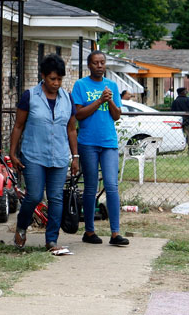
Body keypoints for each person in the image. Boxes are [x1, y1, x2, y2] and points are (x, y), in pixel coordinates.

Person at [9, 53, 80, 252]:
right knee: (34, 196)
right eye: (52, 79)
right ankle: (21, 228)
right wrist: (13, 153)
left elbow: (71, 129)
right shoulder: (29, 96)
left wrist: (75, 157)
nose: (56, 83)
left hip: (59, 156)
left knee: (56, 197)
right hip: (33, 155)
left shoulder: (67, 98)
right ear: (43, 76)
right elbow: (18, 126)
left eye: (59, 79)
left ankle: (51, 241)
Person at [72, 50, 129, 246]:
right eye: (95, 62)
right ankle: (89, 231)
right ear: (89, 65)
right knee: (90, 187)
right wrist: (99, 100)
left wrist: (110, 100)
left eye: (102, 62)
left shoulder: (112, 86)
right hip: (88, 142)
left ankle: (115, 233)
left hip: (109, 142)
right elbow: (79, 114)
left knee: (112, 186)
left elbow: (117, 115)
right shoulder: (80, 85)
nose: (99, 65)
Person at [171, 87, 189, 153]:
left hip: (179, 123)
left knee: (186, 139)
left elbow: (172, 113)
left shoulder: (175, 102)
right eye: (186, 92)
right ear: (183, 92)